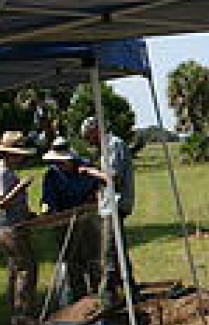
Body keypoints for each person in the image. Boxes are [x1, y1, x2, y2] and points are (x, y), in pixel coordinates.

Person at [41, 137, 109, 306]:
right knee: (72, 262)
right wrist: (46, 208)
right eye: (55, 161)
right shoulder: (52, 174)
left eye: (61, 161)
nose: (58, 164)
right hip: (64, 221)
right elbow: (48, 198)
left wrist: (93, 199)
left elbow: (101, 185)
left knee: (93, 258)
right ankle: (79, 300)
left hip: (88, 218)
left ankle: (99, 295)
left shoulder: (85, 166)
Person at [79, 117, 138, 308]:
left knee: (109, 254)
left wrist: (90, 172)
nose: (89, 142)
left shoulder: (113, 144)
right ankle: (131, 292)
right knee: (118, 252)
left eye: (89, 137)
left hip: (115, 206)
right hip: (109, 205)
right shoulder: (108, 147)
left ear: (96, 131)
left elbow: (114, 178)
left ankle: (106, 300)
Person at [0, 131, 38, 325]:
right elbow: (2, 203)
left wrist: (28, 214)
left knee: (16, 269)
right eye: (19, 154)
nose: (22, 158)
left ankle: (17, 314)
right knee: (27, 267)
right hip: (7, 228)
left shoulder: (8, 171)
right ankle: (23, 315)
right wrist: (21, 187)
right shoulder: (1, 172)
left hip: (13, 225)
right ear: (9, 154)